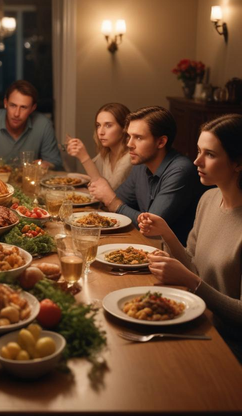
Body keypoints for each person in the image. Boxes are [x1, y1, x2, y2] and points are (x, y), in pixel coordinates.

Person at [138, 114, 242, 361]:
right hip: (196, 321)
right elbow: (193, 263)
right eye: (198, 151)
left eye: (210, 154)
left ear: (238, 162)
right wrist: (166, 233)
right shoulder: (207, 199)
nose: (196, 161)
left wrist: (192, 282)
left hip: (229, 345)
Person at [88, 106, 203, 244]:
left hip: (172, 256)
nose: (129, 144)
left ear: (161, 142)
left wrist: (111, 201)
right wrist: (108, 199)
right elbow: (118, 203)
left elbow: (151, 225)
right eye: (129, 137)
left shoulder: (180, 170)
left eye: (138, 138)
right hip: (146, 245)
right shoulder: (142, 166)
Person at [0, 81, 63, 169]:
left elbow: (56, 163)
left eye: (23, 107)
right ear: (5, 103)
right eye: (13, 105)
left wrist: (45, 165)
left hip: (27, 185)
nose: (16, 114)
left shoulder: (43, 125)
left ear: (32, 108)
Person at [66, 102, 132, 190]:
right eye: (98, 125)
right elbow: (93, 176)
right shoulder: (106, 154)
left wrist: (84, 157)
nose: (101, 132)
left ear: (124, 128)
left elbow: (107, 192)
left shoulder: (130, 158)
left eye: (108, 125)